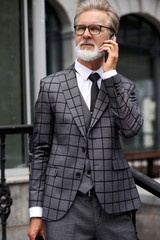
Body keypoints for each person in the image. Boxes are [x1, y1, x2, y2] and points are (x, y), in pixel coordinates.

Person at [27, 0, 143, 239]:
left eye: (95, 29)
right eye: (81, 28)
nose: (86, 34)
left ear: (112, 37)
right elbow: (39, 151)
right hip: (64, 206)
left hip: (114, 206)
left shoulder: (123, 85)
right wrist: (36, 212)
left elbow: (131, 129)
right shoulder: (51, 85)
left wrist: (110, 75)